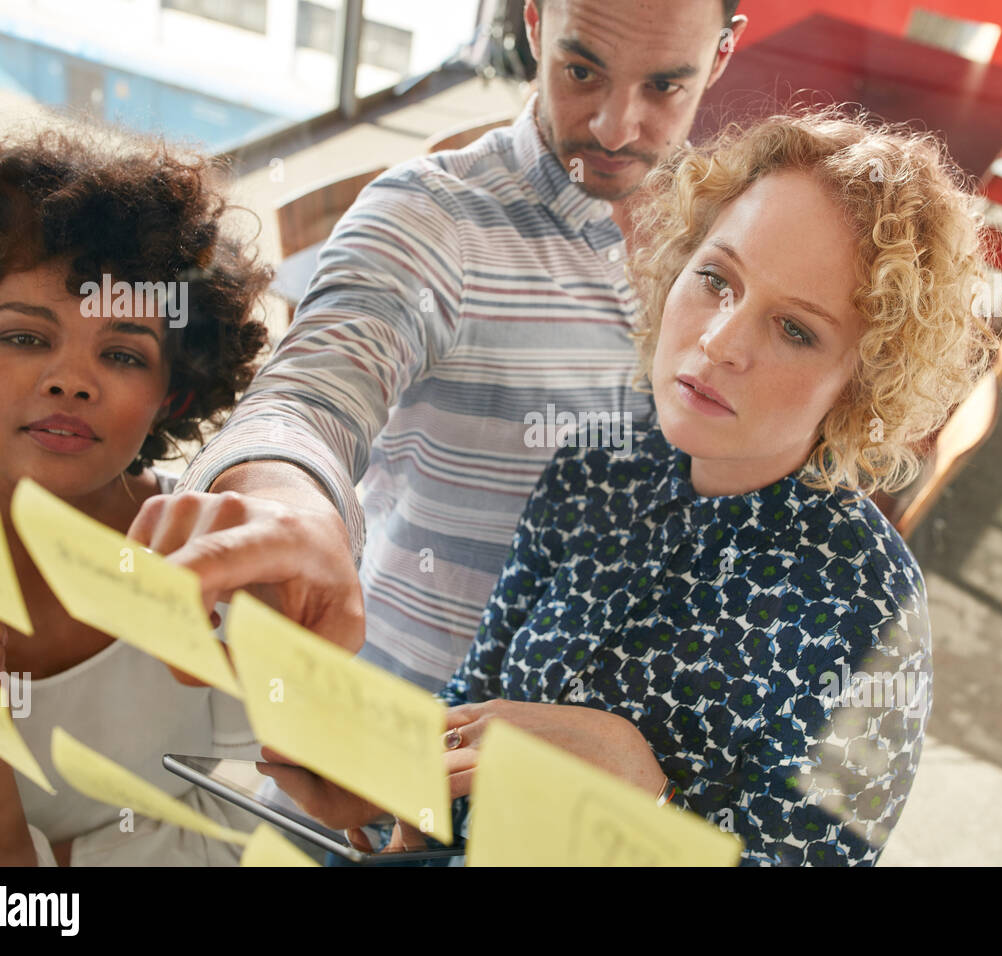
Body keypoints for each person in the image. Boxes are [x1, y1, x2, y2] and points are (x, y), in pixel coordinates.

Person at [262, 108, 999, 865]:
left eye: (796, 330)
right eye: (717, 278)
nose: (720, 342)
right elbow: (470, 706)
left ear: (862, 381)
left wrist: (647, 798)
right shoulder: (597, 466)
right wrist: (392, 788)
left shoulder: (868, 608)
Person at [130, 0, 749, 690]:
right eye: (581, 70)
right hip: (396, 735)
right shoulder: (433, 215)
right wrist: (289, 506)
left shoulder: (738, 233)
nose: (614, 125)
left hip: (611, 753)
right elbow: (311, 395)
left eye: (663, 86)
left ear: (721, 54)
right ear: (535, 25)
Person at [0, 125, 273, 865]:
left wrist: (47, 853)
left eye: (121, 354)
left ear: (172, 396)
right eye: (25, 338)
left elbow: (257, 821)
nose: (70, 381)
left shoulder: (217, 560)